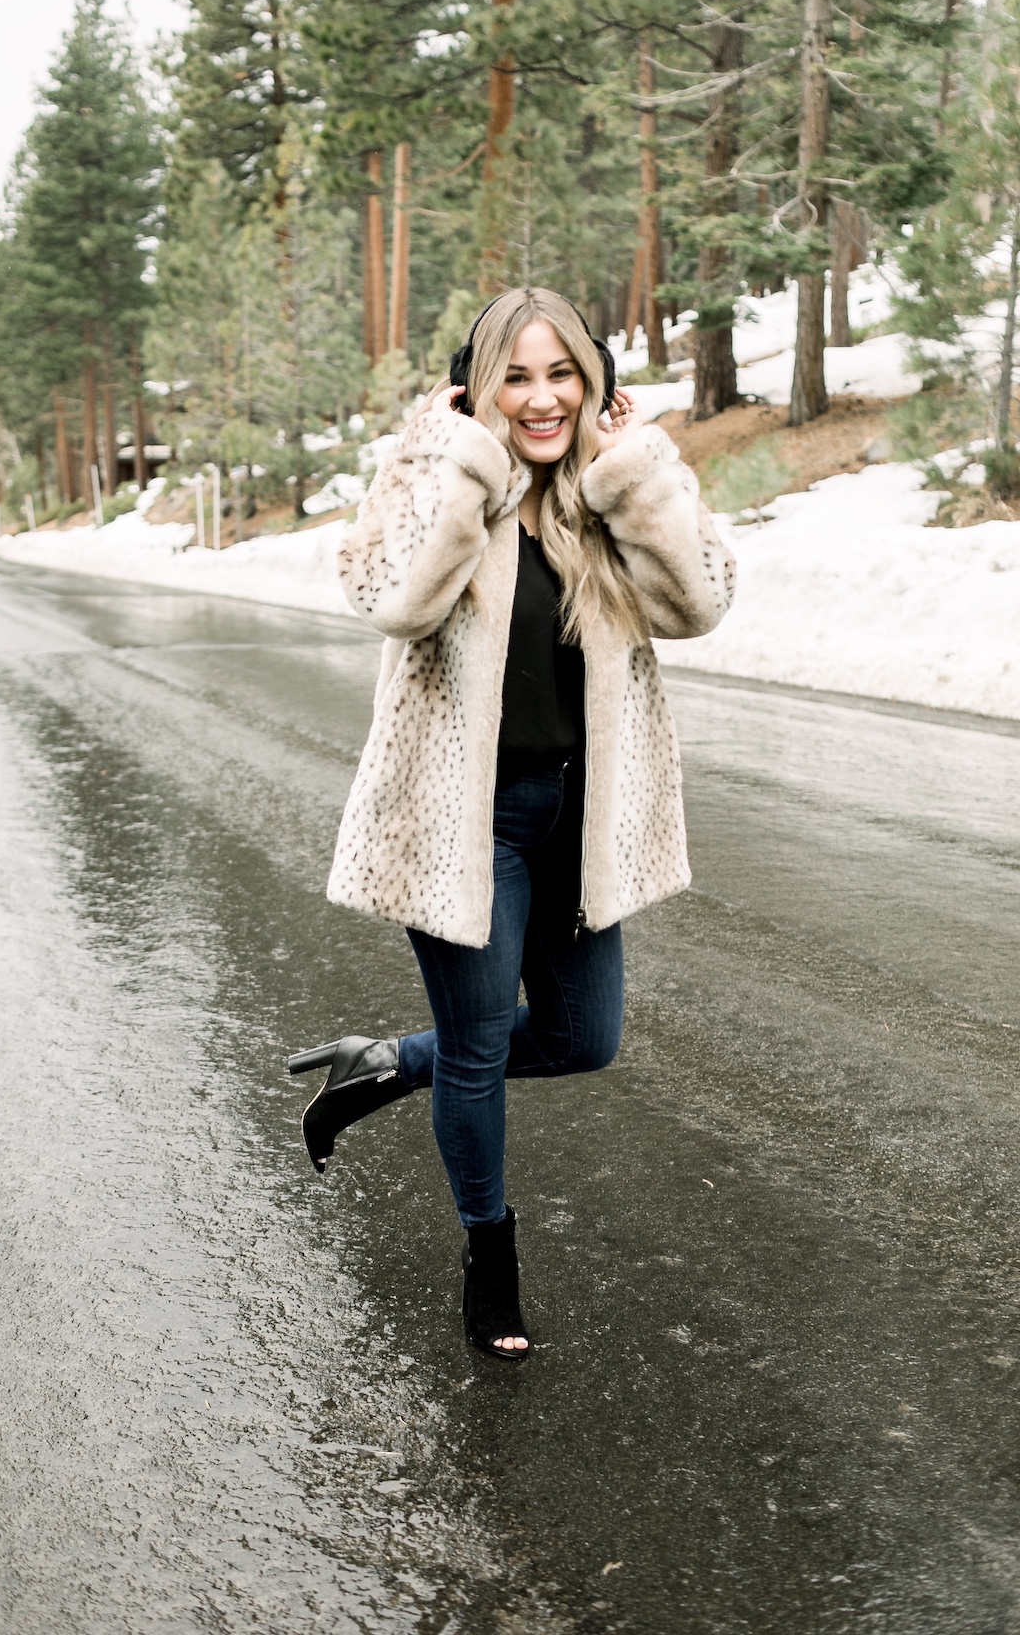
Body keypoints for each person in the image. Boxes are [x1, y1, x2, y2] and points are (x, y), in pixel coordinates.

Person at [288, 287, 735, 1361]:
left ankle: (388, 1061)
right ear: (478, 385)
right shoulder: (444, 477)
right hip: (464, 822)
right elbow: (391, 598)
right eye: (516, 376)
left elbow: (702, 603)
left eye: (562, 374)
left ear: (595, 383)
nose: (542, 399)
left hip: (581, 820)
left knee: (586, 1039)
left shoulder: (607, 495)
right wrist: (454, 463)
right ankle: (491, 1257)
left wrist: (637, 475)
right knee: (482, 1050)